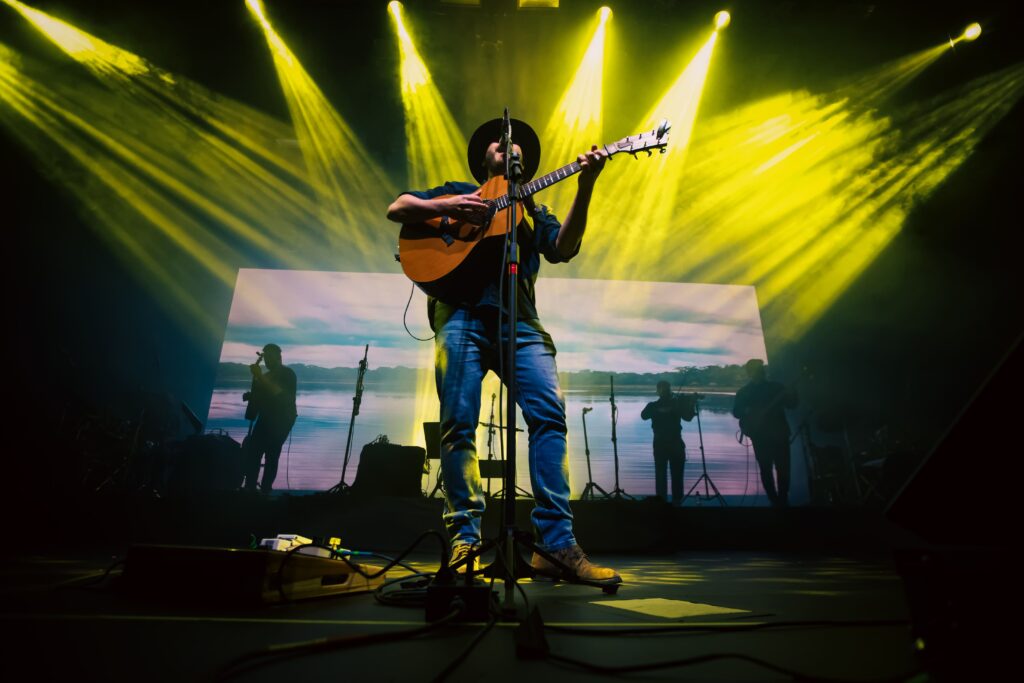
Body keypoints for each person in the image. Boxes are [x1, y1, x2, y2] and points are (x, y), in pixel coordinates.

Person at [385, 118, 619, 584]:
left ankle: (556, 547)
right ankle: (465, 542)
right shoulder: (458, 190)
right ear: (485, 157)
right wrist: (453, 204)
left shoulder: (535, 208)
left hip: (523, 323)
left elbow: (564, 248)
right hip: (461, 315)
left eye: (517, 149)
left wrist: (586, 183)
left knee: (550, 418)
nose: (510, 150)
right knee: (458, 425)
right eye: (500, 143)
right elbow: (399, 208)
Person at [732, 359, 798, 507]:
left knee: (783, 468)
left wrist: (792, 393)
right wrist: (747, 411)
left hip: (779, 433)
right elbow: (736, 412)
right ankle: (774, 500)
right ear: (750, 372)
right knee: (765, 468)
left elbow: (792, 405)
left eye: (760, 369)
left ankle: (782, 498)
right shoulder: (744, 392)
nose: (760, 371)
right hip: (759, 435)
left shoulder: (777, 388)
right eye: (756, 369)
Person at [240, 343, 297, 494]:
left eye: (270, 358)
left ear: (279, 358)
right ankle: (250, 487)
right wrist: (251, 396)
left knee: (272, 453)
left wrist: (259, 377)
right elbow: (264, 397)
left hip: (282, 420)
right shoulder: (266, 376)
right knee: (254, 452)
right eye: (265, 358)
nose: (267, 361)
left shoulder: (288, 374)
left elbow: (280, 394)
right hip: (266, 418)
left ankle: (266, 490)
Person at [640, 381, 695, 506]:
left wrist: (689, 403)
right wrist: (687, 404)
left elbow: (688, 417)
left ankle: (663, 503)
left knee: (662, 475)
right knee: (675, 476)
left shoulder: (659, 405)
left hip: (663, 444)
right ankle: (675, 503)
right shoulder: (668, 404)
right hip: (672, 443)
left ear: (658, 391)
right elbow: (689, 417)